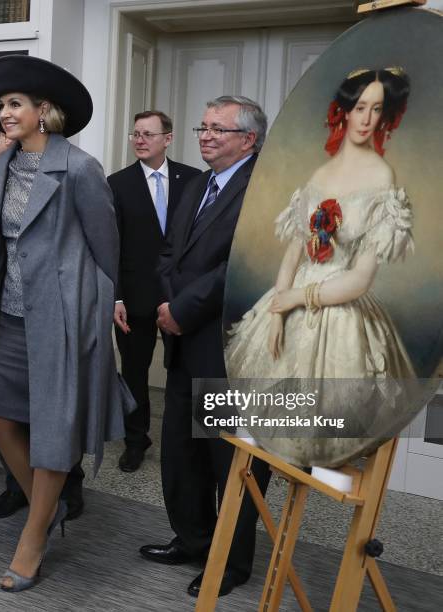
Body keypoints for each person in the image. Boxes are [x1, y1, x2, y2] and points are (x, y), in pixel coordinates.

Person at [0, 55, 132, 592]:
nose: (4, 113)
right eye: (1, 105)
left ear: (44, 111)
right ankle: (52, 505)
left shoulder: (80, 168)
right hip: (10, 315)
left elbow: (106, 249)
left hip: (63, 318)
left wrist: (103, 308)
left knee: (56, 434)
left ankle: (33, 539)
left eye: (14, 104)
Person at [140, 96, 271, 597]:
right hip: (182, 342)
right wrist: (169, 305)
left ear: (249, 139)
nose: (206, 135)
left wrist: (184, 308)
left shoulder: (265, 188)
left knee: (229, 462)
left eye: (219, 129)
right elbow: (168, 253)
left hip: (228, 348)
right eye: (203, 127)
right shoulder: (195, 183)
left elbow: (242, 265)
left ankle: (231, 563)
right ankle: (192, 539)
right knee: (182, 450)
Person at [226, 69, 414, 387]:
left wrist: (299, 297)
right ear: (345, 111)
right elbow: (293, 252)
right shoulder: (319, 174)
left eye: (377, 108)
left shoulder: (382, 177)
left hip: (341, 309)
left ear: (385, 116)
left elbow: (361, 279)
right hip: (289, 298)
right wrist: (276, 313)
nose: (367, 119)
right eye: (360, 108)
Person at [0, 114, 85, 521]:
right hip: (3, 304)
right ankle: (20, 490)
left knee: (51, 408)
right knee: (0, 409)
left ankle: (69, 487)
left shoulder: (65, 170)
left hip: (51, 309)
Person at [108, 111, 201, 472]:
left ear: (168, 137)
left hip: (183, 296)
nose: (140, 140)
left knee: (188, 369)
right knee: (134, 372)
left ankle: (190, 442)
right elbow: (110, 246)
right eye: (135, 134)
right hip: (133, 298)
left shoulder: (194, 181)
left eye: (148, 134)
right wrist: (115, 297)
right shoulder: (116, 184)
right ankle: (136, 440)